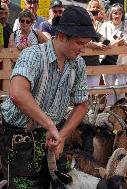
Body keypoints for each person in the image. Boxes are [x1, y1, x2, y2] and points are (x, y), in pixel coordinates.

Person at [0, 6, 97, 188]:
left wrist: (61, 134)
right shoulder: (33, 55)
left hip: (52, 138)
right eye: (79, 43)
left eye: (86, 43)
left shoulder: (78, 64)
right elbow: (17, 92)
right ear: (61, 35)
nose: (83, 49)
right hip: (19, 138)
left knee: (58, 183)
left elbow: (82, 105)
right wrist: (50, 124)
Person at [99, 3, 127, 106]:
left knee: (121, 88)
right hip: (108, 61)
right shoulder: (105, 26)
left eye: (119, 13)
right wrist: (114, 43)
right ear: (111, 14)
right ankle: (110, 113)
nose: (117, 16)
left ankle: (120, 112)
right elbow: (101, 43)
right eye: (115, 13)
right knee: (109, 89)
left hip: (122, 62)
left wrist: (126, 43)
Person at [85, 0, 108, 88]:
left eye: (97, 7)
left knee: (95, 89)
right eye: (93, 7)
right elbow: (80, 41)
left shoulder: (98, 29)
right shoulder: (80, 30)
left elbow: (107, 41)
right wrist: (96, 45)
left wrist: (105, 19)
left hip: (97, 62)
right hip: (83, 66)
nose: (95, 9)